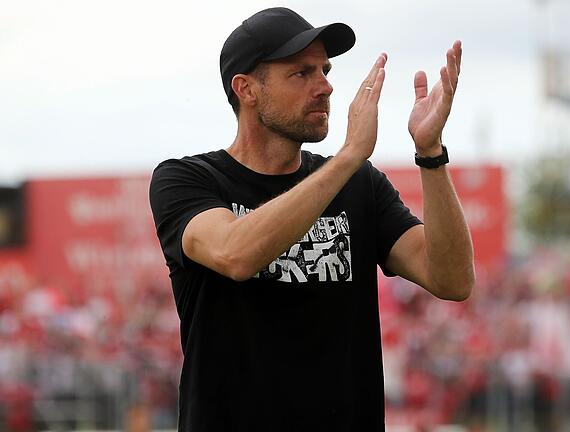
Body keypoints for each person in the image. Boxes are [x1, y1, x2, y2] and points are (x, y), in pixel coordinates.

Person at [149, 7, 474, 431]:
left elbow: (452, 279)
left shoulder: (360, 185)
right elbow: (235, 253)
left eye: (325, 69)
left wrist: (430, 154)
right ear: (246, 89)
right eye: (301, 74)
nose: (325, 87)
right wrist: (349, 155)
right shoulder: (187, 180)